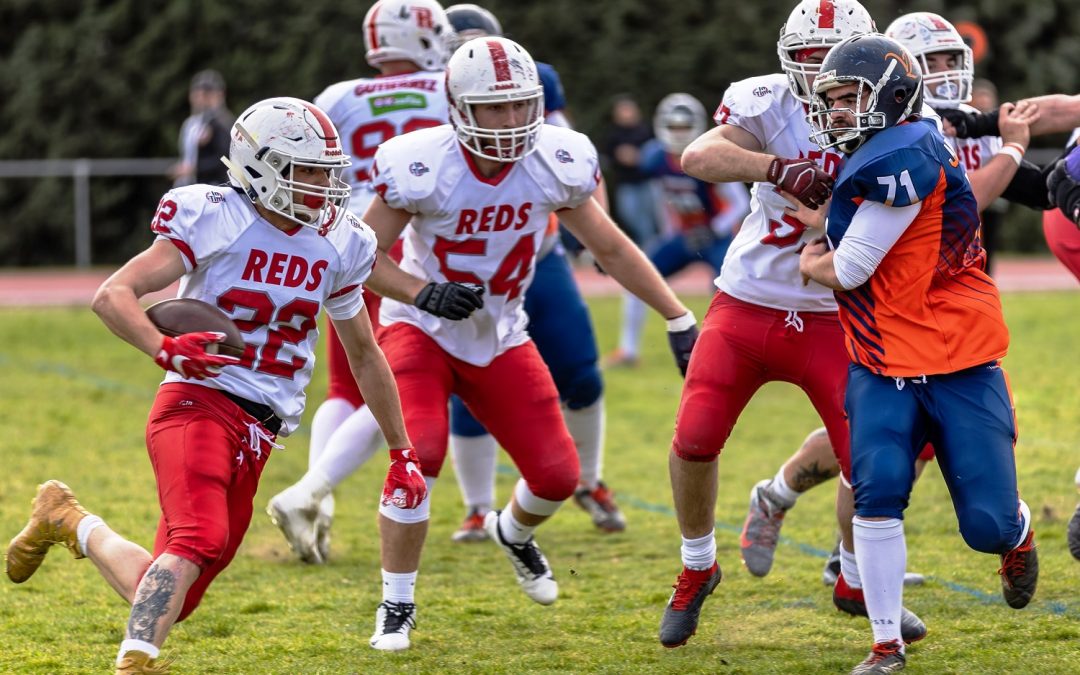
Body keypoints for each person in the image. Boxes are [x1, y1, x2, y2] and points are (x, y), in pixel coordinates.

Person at [4, 97, 426, 673]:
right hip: (197, 402)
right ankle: (136, 661)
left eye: (327, 170)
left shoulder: (342, 241)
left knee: (172, 591)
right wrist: (164, 347)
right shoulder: (215, 215)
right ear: (261, 167)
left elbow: (364, 352)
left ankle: (68, 519)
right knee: (198, 539)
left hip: (262, 426)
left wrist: (402, 448)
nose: (323, 184)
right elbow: (113, 295)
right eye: (306, 170)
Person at [359, 36, 698, 651]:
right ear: (460, 107)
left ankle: (511, 533)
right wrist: (419, 291)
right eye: (495, 108)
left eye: (520, 105)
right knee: (419, 457)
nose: (512, 121)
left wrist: (677, 317)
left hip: (500, 331)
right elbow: (358, 255)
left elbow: (613, 247)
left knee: (557, 476)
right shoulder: (420, 163)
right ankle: (396, 603)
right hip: (422, 330)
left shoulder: (557, 158)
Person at [658, 0, 926, 651]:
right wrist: (776, 166)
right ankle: (698, 566)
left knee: (873, 460)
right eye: (805, 58)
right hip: (748, 298)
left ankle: (854, 577)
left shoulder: (894, 111)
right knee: (694, 436)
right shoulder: (768, 102)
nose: (817, 72)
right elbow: (699, 155)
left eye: (828, 58)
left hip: (837, 312)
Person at [800, 34, 1037, 673]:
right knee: (878, 490)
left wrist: (811, 259)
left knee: (984, 525)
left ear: (893, 97)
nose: (840, 111)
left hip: (958, 356)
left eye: (853, 98)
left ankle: (1016, 534)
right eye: (835, 99)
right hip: (881, 359)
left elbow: (851, 268)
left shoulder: (902, 153)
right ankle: (885, 646)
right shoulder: (894, 141)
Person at [266, 0, 454, 564]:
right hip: (412, 258)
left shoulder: (339, 97)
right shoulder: (448, 88)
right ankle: (311, 491)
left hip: (342, 244)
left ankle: (316, 501)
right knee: (399, 382)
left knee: (344, 388)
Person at [441, 2, 628, 539]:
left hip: (536, 252)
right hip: (463, 263)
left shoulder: (534, 80)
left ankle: (589, 481)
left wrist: (599, 231)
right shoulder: (434, 89)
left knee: (581, 371)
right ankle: (478, 507)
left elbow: (573, 161)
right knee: (470, 384)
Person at [609, 93, 749, 367]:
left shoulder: (709, 153)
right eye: (673, 127)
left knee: (730, 292)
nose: (678, 133)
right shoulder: (656, 157)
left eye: (684, 127)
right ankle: (628, 350)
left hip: (715, 238)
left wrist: (715, 228)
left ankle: (732, 355)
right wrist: (669, 230)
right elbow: (663, 196)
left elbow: (740, 201)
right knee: (637, 275)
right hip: (684, 237)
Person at [604, 95, 659, 249]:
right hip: (626, 184)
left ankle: (650, 249)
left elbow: (656, 154)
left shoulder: (645, 131)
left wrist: (639, 157)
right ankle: (648, 247)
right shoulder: (613, 135)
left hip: (646, 182)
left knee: (650, 219)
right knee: (630, 216)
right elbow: (608, 158)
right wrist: (619, 157)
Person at [171, 70, 234, 187]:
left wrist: (195, 169)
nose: (201, 98)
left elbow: (225, 158)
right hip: (191, 184)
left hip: (213, 185)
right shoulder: (192, 123)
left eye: (206, 94)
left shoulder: (223, 122)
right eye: (198, 93)